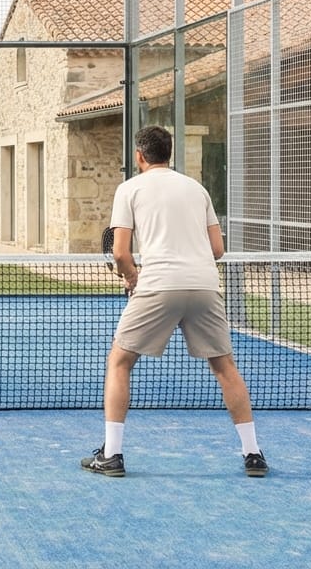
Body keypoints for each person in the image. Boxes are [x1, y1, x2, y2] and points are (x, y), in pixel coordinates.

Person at [82, 125, 266, 478]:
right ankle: (253, 454)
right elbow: (217, 250)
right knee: (225, 367)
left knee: (120, 362)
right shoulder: (197, 189)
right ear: (170, 154)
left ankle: (112, 455)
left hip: (158, 285)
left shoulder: (129, 189)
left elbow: (120, 253)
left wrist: (131, 276)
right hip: (205, 286)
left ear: (139, 156)